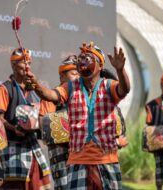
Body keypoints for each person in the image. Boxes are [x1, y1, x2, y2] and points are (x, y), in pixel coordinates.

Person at [26, 42, 130, 189]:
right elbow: (48, 94)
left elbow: (124, 89)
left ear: (100, 65)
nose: (83, 61)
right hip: (78, 160)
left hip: (106, 160)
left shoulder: (109, 85)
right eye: (82, 58)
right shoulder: (70, 87)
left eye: (89, 58)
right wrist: (36, 84)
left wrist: (120, 70)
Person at [0, 47, 51, 190]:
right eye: (23, 62)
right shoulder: (4, 88)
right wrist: (14, 128)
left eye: (29, 63)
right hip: (13, 145)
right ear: (13, 65)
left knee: (38, 183)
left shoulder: (33, 89)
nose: (27, 66)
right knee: (16, 185)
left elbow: (42, 112)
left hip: (31, 144)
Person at [39, 54, 79, 190]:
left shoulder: (83, 97)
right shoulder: (50, 97)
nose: (78, 77)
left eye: (79, 73)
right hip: (61, 152)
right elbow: (43, 125)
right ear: (62, 76)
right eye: (74, 74)